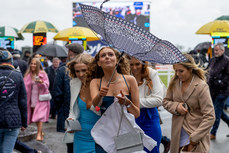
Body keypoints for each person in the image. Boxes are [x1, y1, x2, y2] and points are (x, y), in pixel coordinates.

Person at [86, 47, 140, 153]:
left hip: (126, 132)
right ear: (98, 63)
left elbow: (137, 113)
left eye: (111, 54)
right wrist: (100, 95)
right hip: (104, 133)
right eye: (103, 55)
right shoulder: (95, 82)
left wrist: (127, 103)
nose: (107, 57)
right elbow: (95, 105)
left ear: (117, 60)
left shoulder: (130, 80)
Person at [163, 54, 215, 153]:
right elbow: (165, 102)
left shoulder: (201, 86)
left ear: (190, 69)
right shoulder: (174, 83)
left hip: (194, 132)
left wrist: (195, 138)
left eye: (181, 71)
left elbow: (210, 116)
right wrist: (176, 106)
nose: (178, 74)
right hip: (177, 132)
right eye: (176, 71)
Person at [52, 43, 84, 153]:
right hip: (86, 111)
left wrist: (59, 110)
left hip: (69, 112)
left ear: (70, 52)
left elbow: (57, 94)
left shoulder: (62, 70)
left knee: (71, 143)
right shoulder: (89, 68)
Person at [128, 57, 163, 153]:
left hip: (149, 116)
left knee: (152, 148)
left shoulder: (152, 73)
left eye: (137, 64)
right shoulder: (125, 74)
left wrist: (134, 103)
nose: (134, 68)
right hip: (130, 118)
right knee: (132, 150)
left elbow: (158, 99)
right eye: (131, 65)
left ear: (143, 64)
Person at [66, 54, 100, 153]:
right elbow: (73, 109)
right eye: (77, 71)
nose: (80, 74)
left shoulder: (101, 83)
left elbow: (102, 110)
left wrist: (94, 105)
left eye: (84, 70)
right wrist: (71, 120)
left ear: (92, 69)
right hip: (80, 135)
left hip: (99, 136)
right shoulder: (74, 83)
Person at [0, 50, 27, 153]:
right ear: (11, 61)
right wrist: (24, 122)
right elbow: (22, 101)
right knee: (7, 150)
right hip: (13, 120)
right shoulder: (18, 75)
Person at [24, 58, 50, 141]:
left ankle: (39, 134)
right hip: (31, 98)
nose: (33, 65)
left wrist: (41, 82)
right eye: (31, 63)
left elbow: (47, 85)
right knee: (35, 116)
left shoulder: (43, 74)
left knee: (39, 116)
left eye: (35, 64)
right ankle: (40, 132)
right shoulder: (28, 74)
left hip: (41, 98)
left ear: (38, 65)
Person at [208, 43, 229, 140]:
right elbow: (208, 71)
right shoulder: (212, 60)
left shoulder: (227, 61)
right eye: (215, 50)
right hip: (212, 90)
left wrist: (220, 82)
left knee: (216, 111)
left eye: (217, 50)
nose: (215, 52)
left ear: (222, 50)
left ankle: (213, 133)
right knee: (219, 111)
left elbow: (228, 76)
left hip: (223, 90)